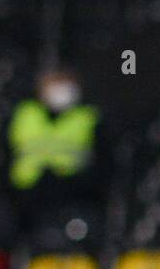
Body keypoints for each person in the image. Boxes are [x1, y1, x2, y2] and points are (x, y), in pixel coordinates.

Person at [5, 66, 104, 252]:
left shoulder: (86, 116)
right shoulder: (26, 113)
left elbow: (100, 158)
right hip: (27, 194)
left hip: (73, 193)